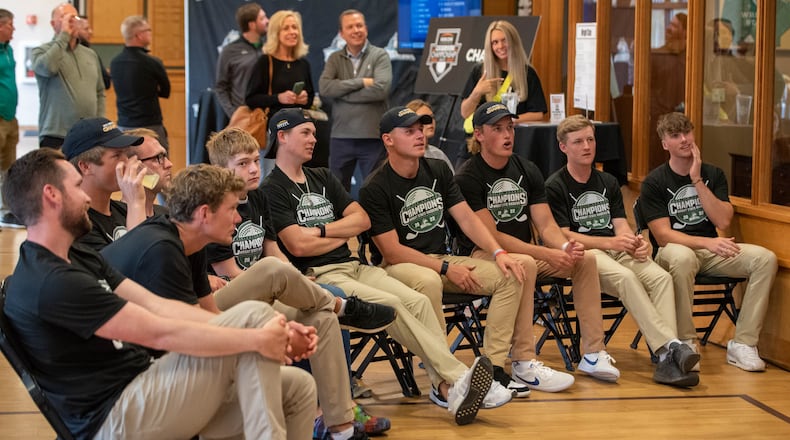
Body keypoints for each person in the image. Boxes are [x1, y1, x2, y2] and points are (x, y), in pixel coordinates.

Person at [2, 148, 318, 439]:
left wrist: (270, 335)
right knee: (254, 316)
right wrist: (259, 338)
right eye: (75, 186)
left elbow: (160, 307)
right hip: (118, 417)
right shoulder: (52, 281)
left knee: (297, 387)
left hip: (147, 388)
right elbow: (159, 332)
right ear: (51, 195)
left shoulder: (77, 256)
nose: (85, 197)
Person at [101, 164, 394, 440]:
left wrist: (277, 333)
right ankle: (340, 307)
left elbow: (210, 312)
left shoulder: (190, 239)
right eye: (232, 210)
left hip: (169, 364)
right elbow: (192, 335)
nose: (239, 218)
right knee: (258, 310)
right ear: (204, 213)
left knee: (315, 338)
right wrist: (269, 337)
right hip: (135, 389)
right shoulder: (161, 250)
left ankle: (340, 428)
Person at [261, 108, 514, 426]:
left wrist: (321, 231)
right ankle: (461, 380)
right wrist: (339, 229)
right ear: (282, 137)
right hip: (323, 276)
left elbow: (361, 219)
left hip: (356, 266)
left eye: (314, 132)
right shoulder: (272, 189)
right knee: (393, 304)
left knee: (419, 301)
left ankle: (448, 388)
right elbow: (297, 245)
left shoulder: (322, 177)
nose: (314, 138)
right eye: (306, 133)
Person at [360, 105, 573, 396]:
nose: (419, 136)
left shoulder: (436, 170)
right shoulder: (375, 185)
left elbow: (467, 219)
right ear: (388, 140)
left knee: (512, 272)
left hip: (441, 259)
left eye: (420, 129)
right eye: (409, 131)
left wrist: (499, 253)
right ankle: (441, 382)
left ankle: (495, 369)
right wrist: (447, 269)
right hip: (401, 266)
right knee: (429, 280)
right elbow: (393, 252)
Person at [203, 127, 391, 437]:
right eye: (242, 163)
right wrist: (291, 284)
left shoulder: (259, 198)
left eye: (254, 161)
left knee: (321, 315)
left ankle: (339, 421)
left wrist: (298, 281)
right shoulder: (216, 208)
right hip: (235, 299)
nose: (253, 169)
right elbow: (234, 273)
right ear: (221, 170)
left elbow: (275, 252)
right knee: (311, 288)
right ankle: (344, 309)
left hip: (268, 289)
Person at [454, 102, 623, 385]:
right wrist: (545, 252)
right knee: (527, 263)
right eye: (498, 129)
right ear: (480, 135)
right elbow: (490, 235)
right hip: (483, 254)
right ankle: (523, 361)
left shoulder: (525, 167)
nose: (507, 135)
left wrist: (564, 248)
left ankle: (593, 353)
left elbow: (545, 225)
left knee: (585, 259)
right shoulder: (468, 175)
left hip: (527, 252)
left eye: (510, 127)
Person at [545, 115, 700, 387]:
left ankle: (665, 357)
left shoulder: (607, 181)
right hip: (586, 257)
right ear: (563, 147)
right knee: (626, 279)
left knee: (661, 278)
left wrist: (634, 242)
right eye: (578, 141)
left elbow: (620, 224)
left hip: (616, 249)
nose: (586, 146)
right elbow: (562, 234)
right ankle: (671, 350)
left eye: (590, 139)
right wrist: (611, 244)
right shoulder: (555, 185)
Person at [640, 112, 778, 372]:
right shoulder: (655, 182)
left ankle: (743, 344)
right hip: (672, 254)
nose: (683, 139)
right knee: (682, 257)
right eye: (675, 135)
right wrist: (706, 243)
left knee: (764, 259)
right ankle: (685, 343)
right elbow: (663, 236)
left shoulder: (713, 174)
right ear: (664, 144)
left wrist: (696, 180)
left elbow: (723, 221)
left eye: (687, 133)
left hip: (710, 252)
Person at [319, 9, 392, 192]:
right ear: (341, 33)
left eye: (359, 25)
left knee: (376, 190)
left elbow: (380, 90)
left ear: (366, 29)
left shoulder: (380, 55)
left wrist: (343, 93)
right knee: (337, 193)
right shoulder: (335, 59)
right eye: (350, 27)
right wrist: (360, 82)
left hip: (372, 136)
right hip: (340, 137)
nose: (356, 30)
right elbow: (326, 88)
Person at [61, 118, 148, 251]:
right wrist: (135, 203)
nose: (126, 161)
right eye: (117, 155)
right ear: (85, 166)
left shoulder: (123, 210)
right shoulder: (77, 225)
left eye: (126, 153)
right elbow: (135, 265)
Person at [31, 3, 105, 149]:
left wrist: (100, 122)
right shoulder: (40, 51)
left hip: (88, 134)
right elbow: (47, 68)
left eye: (75, 18)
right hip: (56, 134)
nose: (72, 22)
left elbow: (100, 91)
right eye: (65, 18)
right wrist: (64, 35)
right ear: (53, 24)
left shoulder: (90, 54)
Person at [460, 20, 547, 129]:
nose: (500, 46)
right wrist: (477, 93)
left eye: (504, 40)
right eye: (495, 42)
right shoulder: (479, 71)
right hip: (484, 140)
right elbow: (465, 113)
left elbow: (538, 114)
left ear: (513, 41)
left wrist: (507, 121)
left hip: (516, 137)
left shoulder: (527, 73)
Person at [110, 15, 171, 148]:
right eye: (148, 30)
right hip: (150, 126)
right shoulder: (152, 62)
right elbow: (166, 91)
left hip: (124, 126)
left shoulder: (115, 63)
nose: (150, 33)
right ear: (139, 35)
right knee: (159, 164)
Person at [215, 2, 268, 118]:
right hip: (242, 117)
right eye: (262, 18)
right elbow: (221, 87)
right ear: (252, 25)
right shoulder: (229, 51)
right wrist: (234, 114)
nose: (267, 21)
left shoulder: (269, 49)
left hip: (266, 116)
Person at [649, 13, 687, 170]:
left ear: (685, 31)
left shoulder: (692, 57)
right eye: (669, 24)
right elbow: (647, 89)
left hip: (685, 121)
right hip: (659, 120)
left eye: (674, 26)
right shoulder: (656, 55)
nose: (668, 28)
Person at [0, 8, 22, 228]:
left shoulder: (8, 50)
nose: (13, 29)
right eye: (10, 25)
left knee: (8, 167)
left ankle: (6, 211)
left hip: (10, 117)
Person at [122, 128, 172, 218]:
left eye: (165, 156)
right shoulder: (120, 222)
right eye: (159, 158)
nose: (169, 164)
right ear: (133, 166)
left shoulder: (167, 215)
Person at [405, 99, 454, 172]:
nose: (430, 121)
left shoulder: (438, 155)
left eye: (432, 117)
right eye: (424, 118)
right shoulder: (403, 156)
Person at [74, 16, 111, 89]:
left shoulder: (92, 54)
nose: (91, 32)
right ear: (75, 31)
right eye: (86, 29)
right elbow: (105, 81)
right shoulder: (90, 54)